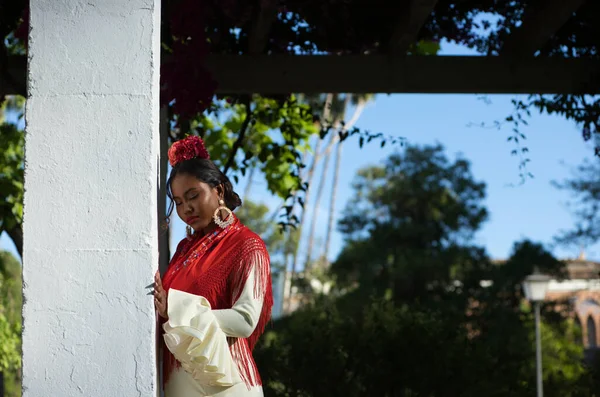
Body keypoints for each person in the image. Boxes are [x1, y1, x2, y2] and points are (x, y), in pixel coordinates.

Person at [153, 136, 273, 397]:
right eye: (179, 202)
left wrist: (175, 307)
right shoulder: (183, 251)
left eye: (193, 195)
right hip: (179, 384)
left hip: (226, 385)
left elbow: (245, 320)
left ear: (218, 191)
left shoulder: (246, 245)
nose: (186, 208)